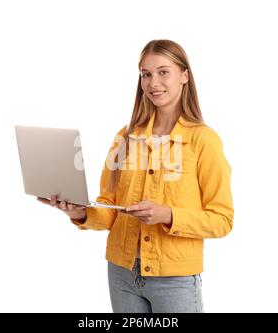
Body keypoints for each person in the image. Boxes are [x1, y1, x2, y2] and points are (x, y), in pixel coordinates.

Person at [37, 39, 234, 313]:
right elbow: (109, 207)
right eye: (146, 74)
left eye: (163, 72)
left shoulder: (204, 141)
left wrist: (167, 215)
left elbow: (222, 220)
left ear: (184, 76)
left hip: (174, 281)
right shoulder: (125, 137)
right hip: (121, 273)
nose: (153, 82)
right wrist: (79, 213)